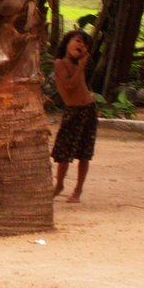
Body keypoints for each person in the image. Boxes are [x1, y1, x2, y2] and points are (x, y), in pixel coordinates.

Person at [51, 29, 98, 203]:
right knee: (64, 152)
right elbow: (69, 85)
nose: (81, 45)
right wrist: (81, 68)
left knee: (84, 153)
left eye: (84, 44)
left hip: (88, 109)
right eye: (78, 41)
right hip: (73, 110)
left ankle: (78, 189)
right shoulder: (59, 64)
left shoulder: (81, 65)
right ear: (67, 42)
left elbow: (81, 85)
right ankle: (59, 184)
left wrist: (81, 66)